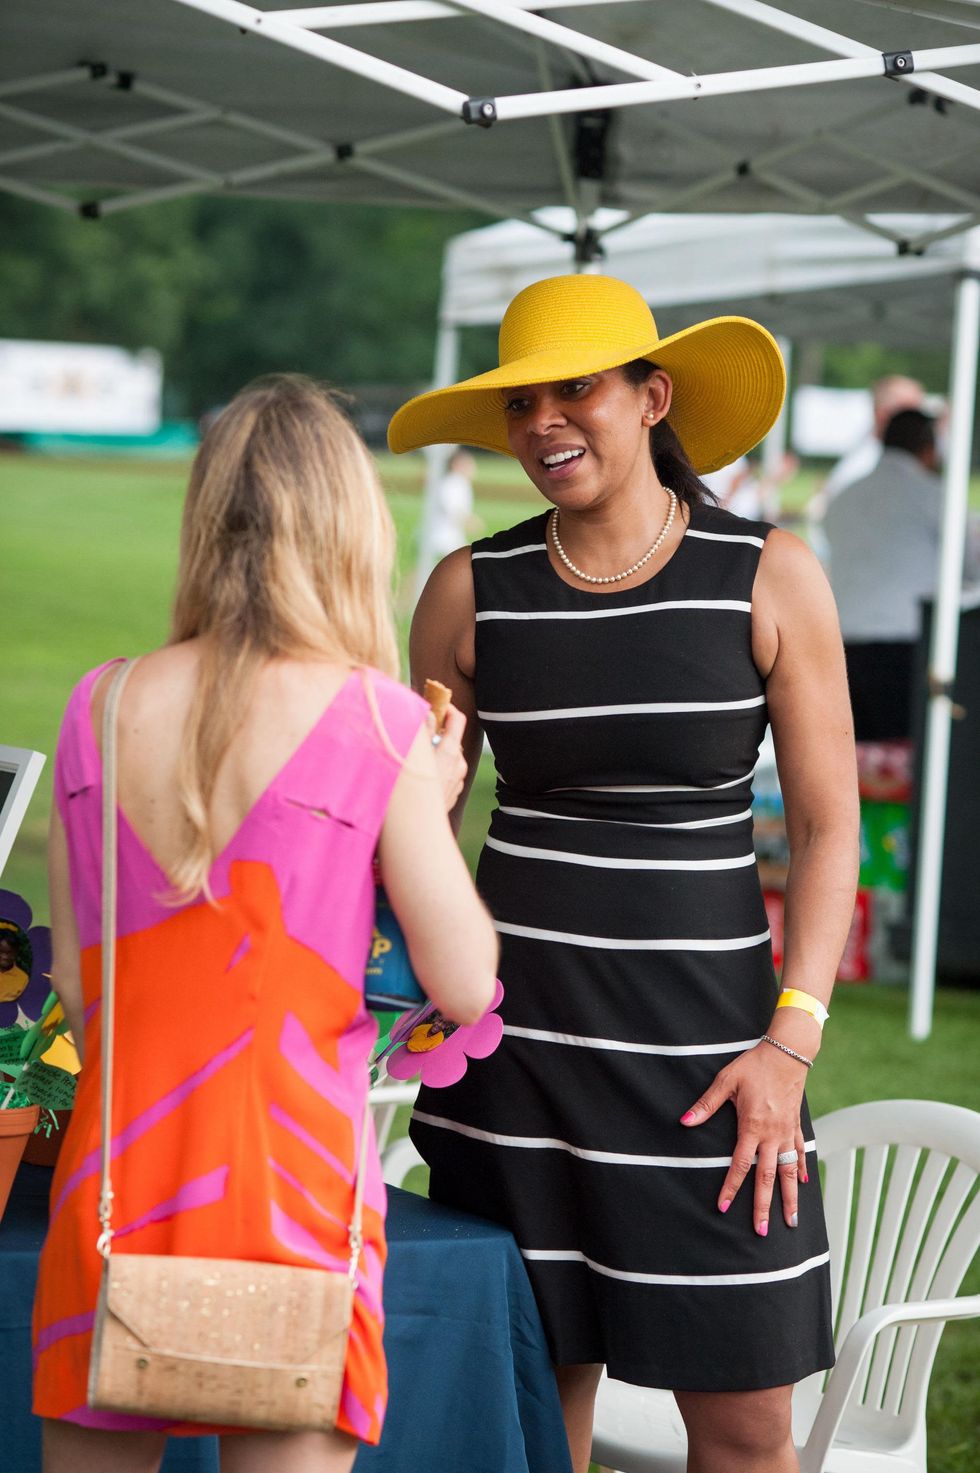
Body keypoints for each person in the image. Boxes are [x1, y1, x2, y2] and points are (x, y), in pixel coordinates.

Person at [389, 275, 859, 1473]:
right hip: (512, 1058)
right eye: (519, 404)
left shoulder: (765, 573)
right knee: (530, 1411)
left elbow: (824, 827)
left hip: (714, 1075)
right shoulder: (466, 590)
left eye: (575, 390)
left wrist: (788, 1042)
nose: (544, 421)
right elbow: (416, 831)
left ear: (652, 398)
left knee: (749, 1429)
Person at [33, 375, 498, 1473]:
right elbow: (467, 982)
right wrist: (426, 806)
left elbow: (74, 982)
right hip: (298, 1197)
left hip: (116, 1190)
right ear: (347, 528)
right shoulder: (380, 722)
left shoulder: (99, 704)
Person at [824, 407, 972, 742]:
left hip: (844, 644)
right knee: (907, 757)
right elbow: (969, 567)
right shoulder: (935, 495)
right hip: (910, 645)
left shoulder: (845, 497)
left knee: (858, 755)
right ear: (928, 448)